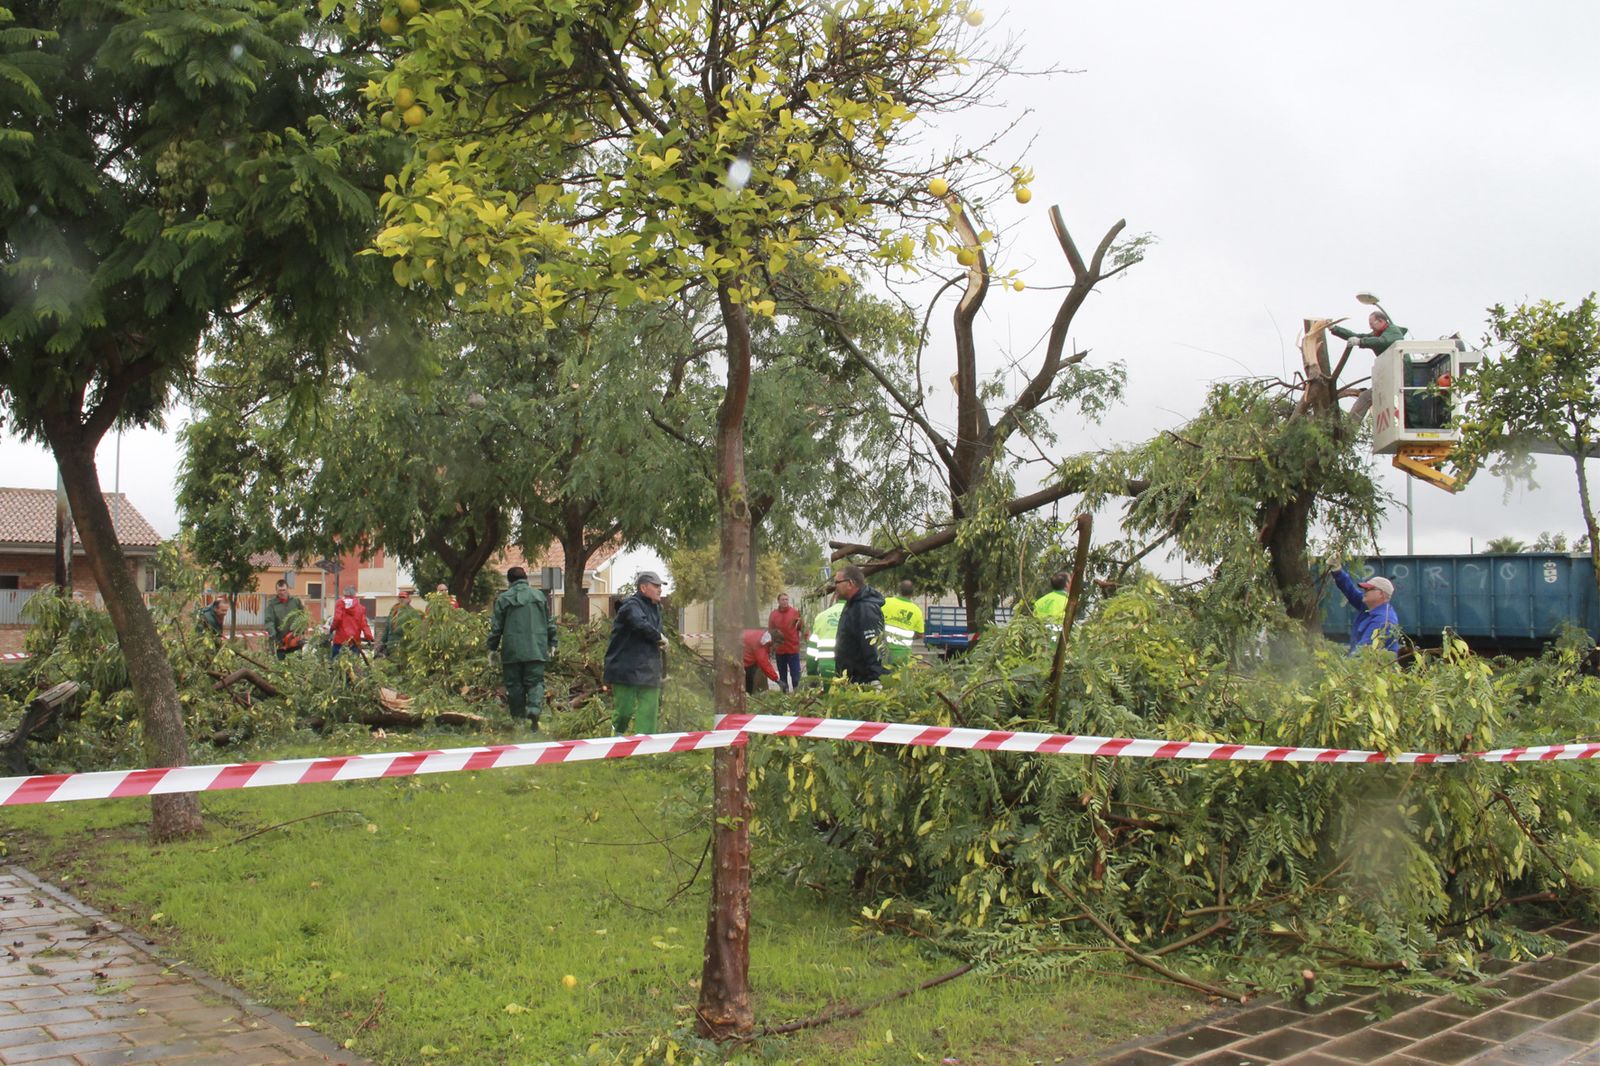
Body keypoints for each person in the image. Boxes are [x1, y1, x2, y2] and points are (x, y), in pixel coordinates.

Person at [487, 566, 557, 731]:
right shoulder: (539, 596)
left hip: (512, 650)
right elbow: (549, 622)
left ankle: (518, 722)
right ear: (526, 578)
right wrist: (552, 642)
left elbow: (496, 627)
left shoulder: (503, 599)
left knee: (514, 685)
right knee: (535, 683)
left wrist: (491, 648)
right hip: (536, 648)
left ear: (509, 581)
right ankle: (533, 710)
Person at [604, 571, 668, 733]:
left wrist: (659, 643)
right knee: (624, 712)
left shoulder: (656, 608)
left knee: (649, 711)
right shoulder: (631, 606)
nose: (660, 590)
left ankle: (644, 750)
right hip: (625, 668)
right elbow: (640, 624)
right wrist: (658, 636)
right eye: (656, 586)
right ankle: (616, 740)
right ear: (643, 587)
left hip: (649, 669)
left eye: (661, 586)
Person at [832, 565, 886, 684]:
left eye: (837, 582)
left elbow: (873, 645)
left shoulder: (865, 608)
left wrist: (875, 679)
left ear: (850, 583)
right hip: (852, 679)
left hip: (863, 681)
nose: (835, 586)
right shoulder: (852, 605)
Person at [1331, 565, 1401, 656]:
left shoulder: (1383, 620)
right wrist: (1337, 570)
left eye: (1368, 589)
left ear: (1381, 594)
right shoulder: (1368, 607)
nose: (1364, 591)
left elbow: (1363, 652)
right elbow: (1350, 591)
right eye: (1364, 589)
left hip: (1375, 668)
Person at [879, 580, 924, 668]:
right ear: (913, 593)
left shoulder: (886, 602)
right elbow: (920, 634)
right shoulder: (917, 611)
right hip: (903, 654)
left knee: (883, 677)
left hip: (885, 650)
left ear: (899, 590)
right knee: (900, 678)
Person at [767, 592, 805, 692]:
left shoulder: (794, 612)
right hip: (780, 650)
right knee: (782, 675)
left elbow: (801, 627)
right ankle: (785, 695)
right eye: (783, 599)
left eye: (786, 599)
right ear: (778, 601)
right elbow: (771, 631)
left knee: (796, 675)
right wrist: (771, 647)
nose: (785, 601)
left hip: (793, 649)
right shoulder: (774, 615)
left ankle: (797, 693)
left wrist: (805, 633)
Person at [1331, 311, 1407, 357]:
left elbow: (1382, 341)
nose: (1370, 327)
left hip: (1402, 370)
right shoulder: (1377, 334)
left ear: (1380, 321)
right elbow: (1357, 336)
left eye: (1371, 324)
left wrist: (1360, 342)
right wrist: (1334, 328)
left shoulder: (1393, 331)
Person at [263, 579, 304, 660]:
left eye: (284, 590)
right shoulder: (272, 604)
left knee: (297, 665)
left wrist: (301, 631)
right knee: (280, 667)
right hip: (280, 642)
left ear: (287, 589)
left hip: (294, 641)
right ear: (276, 591)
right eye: (280, 590)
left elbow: (302, 617)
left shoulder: (295, 601)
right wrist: (273, 634)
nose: (282, 592)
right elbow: (269, 621)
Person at [805, 600, 844, 682]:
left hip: (827, 665)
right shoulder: (859, 613)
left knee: (829, 693)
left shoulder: (821, 616)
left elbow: (812, 651)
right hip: (851, 667)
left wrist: (812, 677)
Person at [329, 586, 373, 659]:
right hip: (354, 641)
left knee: (335, 663)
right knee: (353, 665)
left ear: (344, 594)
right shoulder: (360, 608)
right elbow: (364, 624)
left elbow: (337, 618)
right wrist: (368, 637)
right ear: (354, 594)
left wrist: (332, 628)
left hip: (340, 639)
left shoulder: (339, 603)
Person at [379, 589, 422, 657]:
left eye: (404, 597)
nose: (402, 599)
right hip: (390, 644)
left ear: (408, 599)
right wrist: (382, 642)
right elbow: (387, 627)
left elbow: (417, 629)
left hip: (403, 645)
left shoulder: (412, 612)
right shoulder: (393, 610)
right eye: (400, 597)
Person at [741, 626, 781, 694]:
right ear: (774, 641)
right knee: (748, 681)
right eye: (777, 646)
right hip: (743, 661)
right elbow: (764, 663)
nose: (776, 649)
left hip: (745, 659)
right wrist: (777, 680)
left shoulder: (763, 636)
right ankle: (747, 698)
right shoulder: (762, 643)